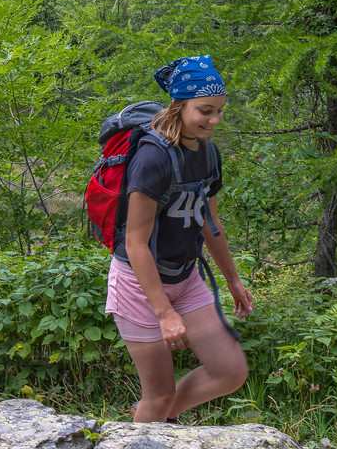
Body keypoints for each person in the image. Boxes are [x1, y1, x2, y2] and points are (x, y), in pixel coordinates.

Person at [105, 55, 255, 423]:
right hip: (139, 285)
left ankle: (150, 421)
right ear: (179, 105)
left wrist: (232, 279)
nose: (214, 120)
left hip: (185, 279)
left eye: (219, 111)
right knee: (159, 395)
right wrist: (164, 312)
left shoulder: (208, 154)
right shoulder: (152, 158)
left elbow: (210, 221)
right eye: (205, 110)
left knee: (230, 371)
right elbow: (136, 242)